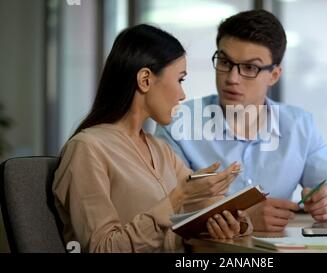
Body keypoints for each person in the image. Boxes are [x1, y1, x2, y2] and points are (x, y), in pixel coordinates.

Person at [52, 24, 252, 253]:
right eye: (180, 80)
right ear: (145, 79)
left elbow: (202, 209)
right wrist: (179, 197)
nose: (182, 94)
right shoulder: (87, 149)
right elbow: (102, 248)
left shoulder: (160, 149)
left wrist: (234, 221)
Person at [155, 10, 327, 232]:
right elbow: (161, 206)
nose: (232, 78)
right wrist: (243, 218)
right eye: (224, 62)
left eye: (250, 68)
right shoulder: (178, 122)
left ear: (274, 75)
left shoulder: (299, 125)